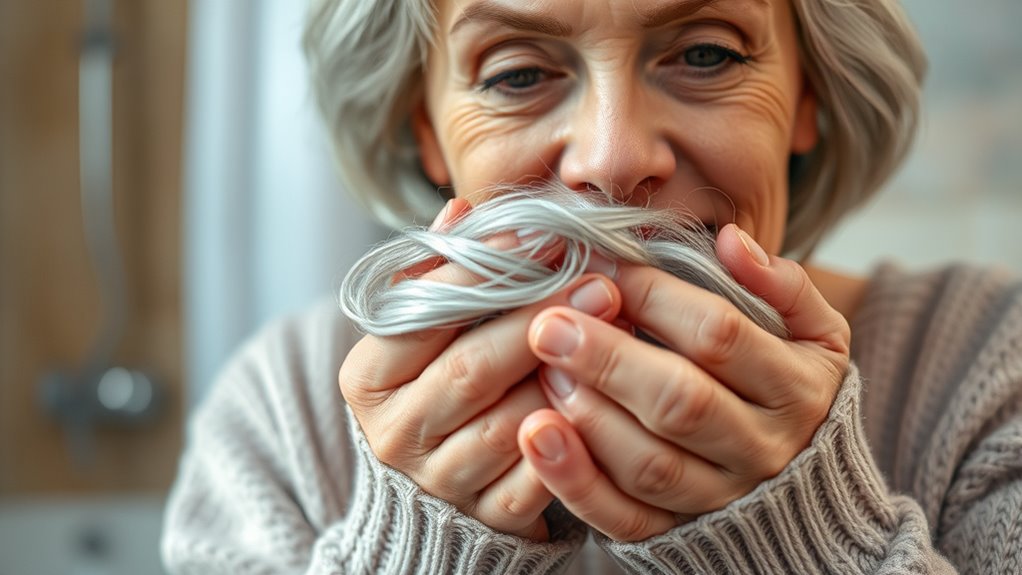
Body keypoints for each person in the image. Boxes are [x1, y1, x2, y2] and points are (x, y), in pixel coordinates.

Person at [161, 0, 1022, 573]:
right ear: (425, 127)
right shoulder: (284, 415)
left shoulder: (992, 371)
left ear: (810, 95)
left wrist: (803, 540)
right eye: (518, 74)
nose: (612, 160)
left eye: (706, 53)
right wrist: (418, 551)